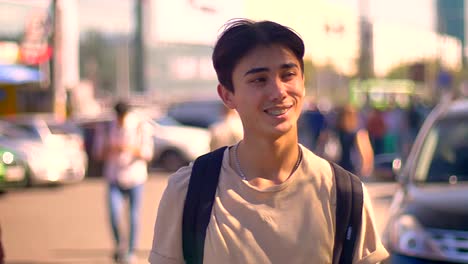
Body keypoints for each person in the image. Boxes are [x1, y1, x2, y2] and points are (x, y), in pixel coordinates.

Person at [149, 19, 388, 263]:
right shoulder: (189, 190)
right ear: (227, 95)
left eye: (288, 75)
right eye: (259, 79)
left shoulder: (344, 193)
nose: (279, 91)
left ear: (303, 83)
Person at [95, 100, 154, 263]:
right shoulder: (107, 127)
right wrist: (111, 147)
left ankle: (130, 251)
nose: (121, 120)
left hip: (136, 177)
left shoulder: (140, 126)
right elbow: (98, 154)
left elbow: (148, 154)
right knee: (114, 214)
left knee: (134, 215)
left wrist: (128, 148)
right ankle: (119, 245)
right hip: (114, 177)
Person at [336, 104, 374, 177]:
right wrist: (368, 165)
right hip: (353, 166)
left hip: (338, 165)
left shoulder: (336, 130)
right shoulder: (358, 131)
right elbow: (366, 151)